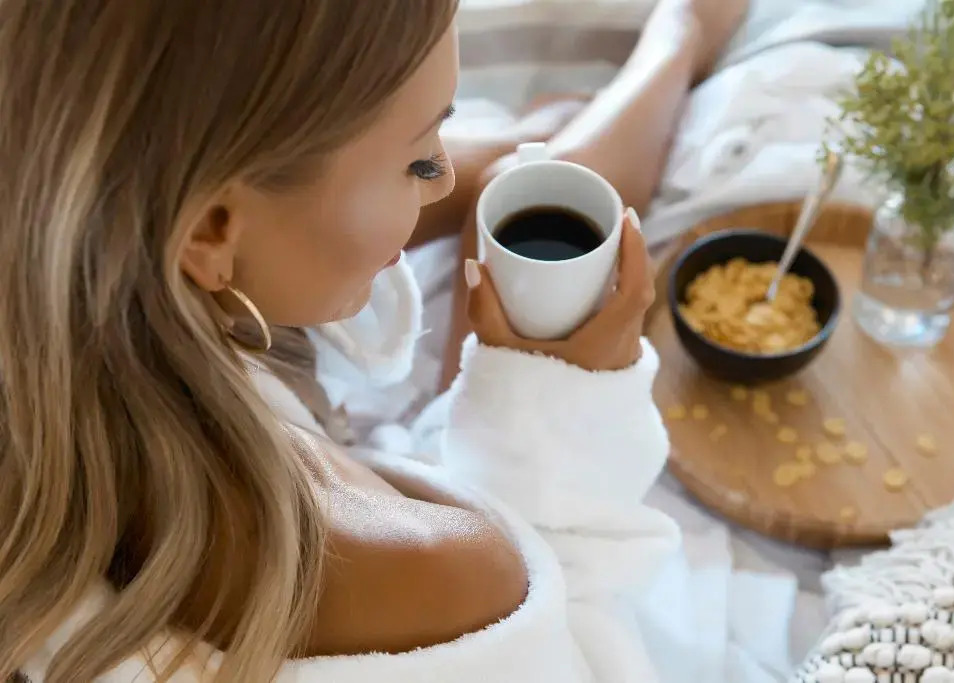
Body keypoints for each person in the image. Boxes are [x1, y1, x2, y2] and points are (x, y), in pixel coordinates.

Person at [0, 1, 744, 681]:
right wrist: (557, 408)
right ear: (211, 230)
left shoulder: (66, 259)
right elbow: (590, 651)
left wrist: (503, 147)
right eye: (418, 162)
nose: (440, 178)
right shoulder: (426, 574)